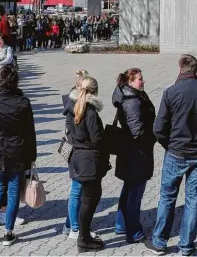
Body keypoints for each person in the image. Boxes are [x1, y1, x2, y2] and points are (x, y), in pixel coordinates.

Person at [147, 54, 197, 256]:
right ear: (196, 69)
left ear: (180, 68)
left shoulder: (171, 92)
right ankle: (186, 246)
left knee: (167, 198)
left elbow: (159, 127)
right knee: (193, 200)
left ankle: (160, 242)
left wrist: (168, 145)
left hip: (176, 152)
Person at [0, 66, 37, 247]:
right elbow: (30, 131)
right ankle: (8, 232)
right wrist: (32, 155)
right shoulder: (22, 102)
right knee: (12, 192)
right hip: (16, 150)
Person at [64, 75, 108, 253]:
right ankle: (83, 238)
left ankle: (83, 235)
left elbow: (69, 132)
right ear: (94, 91)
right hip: (89, 160)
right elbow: (97, 138)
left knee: (86, 199)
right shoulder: (90, 111)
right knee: (90, 200)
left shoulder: (70, 107)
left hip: (77, 157)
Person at [112, 68, 156, 243]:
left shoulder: (132, 96)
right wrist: (153, 136)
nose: (142, 81)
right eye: (139, 79)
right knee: (135, 193)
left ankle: (121, 225)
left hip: (130, 152)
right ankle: (134, 231)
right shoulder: (133, 101)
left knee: (129, 189)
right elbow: (137, 131)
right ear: (130, 82)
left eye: (142, 78)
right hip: (136, 153)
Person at [61, 70, 99, 240]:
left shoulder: (71, 104)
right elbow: (94, 137)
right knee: (78, 191)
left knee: (76, 190)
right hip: (82, 154)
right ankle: (75, 228)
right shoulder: (85, 109)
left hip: (75, 153)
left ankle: (71, 225)